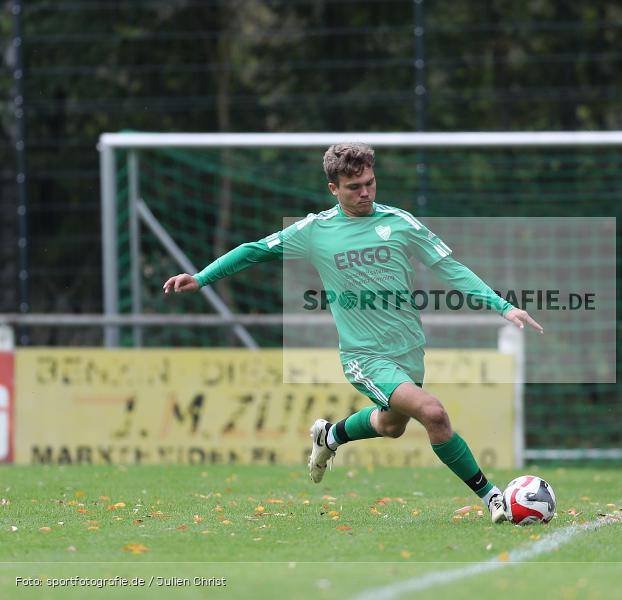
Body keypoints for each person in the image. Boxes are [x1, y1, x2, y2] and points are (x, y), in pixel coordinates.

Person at [163, 142, 542, 523]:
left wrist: (503, 306)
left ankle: (331, 436)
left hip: (409, 350)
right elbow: (253, 250)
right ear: (333, 189)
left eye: (370, 183)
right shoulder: (316, 230)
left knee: (392, 426)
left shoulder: (400, 223)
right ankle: (494, 498)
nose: (365, 193)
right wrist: (200, 278)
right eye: (354, 186)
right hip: (364, 356)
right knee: (433, 412)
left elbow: (450, 267)